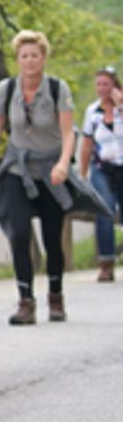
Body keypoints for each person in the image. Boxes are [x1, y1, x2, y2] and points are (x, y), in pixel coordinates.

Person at [0, 30, 83, 325]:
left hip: (51, 171)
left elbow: (68, 132)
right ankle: (25, 301)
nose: (30, 61)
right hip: (17, 169)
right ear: (17, 60)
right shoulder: (7, 89)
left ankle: (55, 295)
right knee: (18, 232)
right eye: (24, 56)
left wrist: (63, 163)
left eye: (35, 55)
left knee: (52, 237)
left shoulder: (57, 88)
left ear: (43, 58)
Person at [78, 67, 123, 282]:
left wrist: (120, 105)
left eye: (106, 84)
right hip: (102, 167)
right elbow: (87, 143)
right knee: (104, 210)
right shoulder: (92, 111)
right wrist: (83, 173)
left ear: (114, 86)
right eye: (99, 85)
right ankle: (106, 263)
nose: (102, 89)